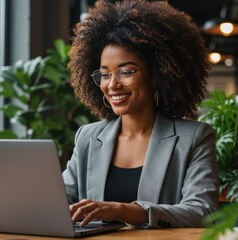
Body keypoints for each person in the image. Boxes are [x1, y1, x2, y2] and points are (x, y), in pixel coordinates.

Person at [63, 0, 219, 228]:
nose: (112, 84)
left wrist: (123, 210)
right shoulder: (88, 137)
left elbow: (202, 211)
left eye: (126, 71)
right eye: (105, 74)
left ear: (157, 75)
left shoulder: (193, 138)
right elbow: (61, 199)